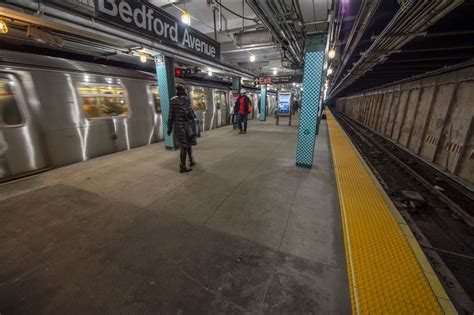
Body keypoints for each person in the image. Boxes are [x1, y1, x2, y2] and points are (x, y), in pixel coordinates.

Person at [167, 85, 197, 173]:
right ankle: (183, 166)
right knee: (187, 145)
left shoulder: (173, 100)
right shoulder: (186, 100)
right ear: (184, 90)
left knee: (183, 145)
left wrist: (169, 128)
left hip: (178, 127)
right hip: (186, 126)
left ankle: (190, 161)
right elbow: (189, 113)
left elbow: (170, 115)